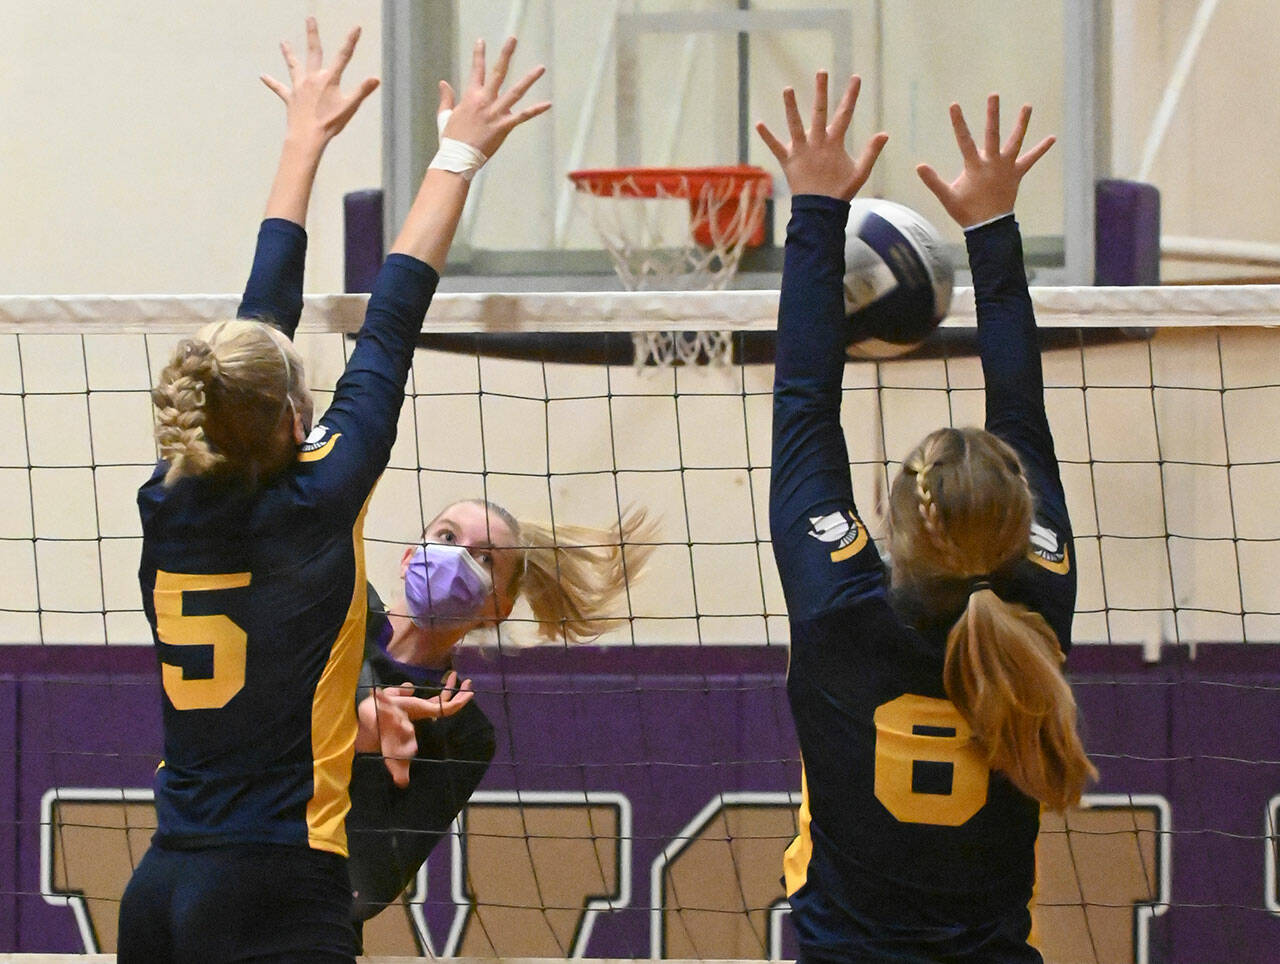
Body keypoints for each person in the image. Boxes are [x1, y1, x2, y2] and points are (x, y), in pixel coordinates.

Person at [118, 19, 549, 962]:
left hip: (161, 885)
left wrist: (303, 139)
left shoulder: (172, 491)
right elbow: (396, 308)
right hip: (274, 883)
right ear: (289, 419)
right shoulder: (321, 498)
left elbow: (259, 331)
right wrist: (460, 152)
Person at [757, 73, 1096, 962]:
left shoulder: (841, 612)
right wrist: (988, 226)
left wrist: (817, 212)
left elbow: (802, 400)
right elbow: (1019, 412)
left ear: (892, 516)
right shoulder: (1034, 613)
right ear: (1020, 515)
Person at [344, 499, 653, 940]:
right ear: (409, 556)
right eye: (448, 537)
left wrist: (371, 752)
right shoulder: (337, 610)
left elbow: (367, 889)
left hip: (311, 922)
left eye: (484, 557)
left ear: (497, 608)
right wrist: (358, 704)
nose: (456, 558)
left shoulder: (464, 733)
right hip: (224, 864)